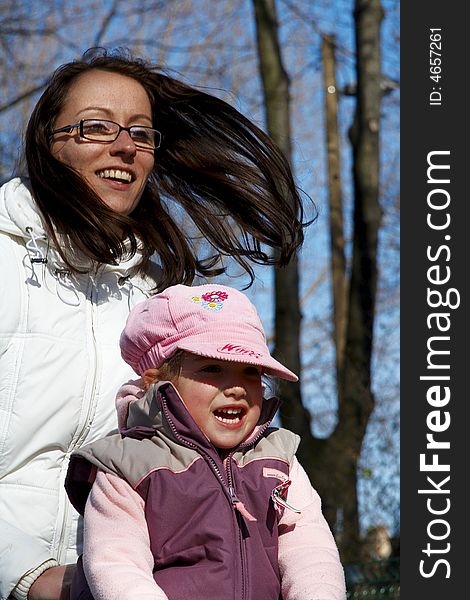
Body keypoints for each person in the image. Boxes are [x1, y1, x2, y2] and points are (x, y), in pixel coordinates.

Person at [0, 47, 308, 600]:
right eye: (96, 127)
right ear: (48, 142)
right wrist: (26, 577)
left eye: (141, 134)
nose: (124, 147)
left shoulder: (155, 304)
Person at [65, 283, 346, 600]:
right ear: (156, 381)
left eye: (251, 371)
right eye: (213, 368)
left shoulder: (278, 460)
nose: (237, 387)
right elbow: (116, 564)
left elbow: (308, 546)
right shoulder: (128, 465)